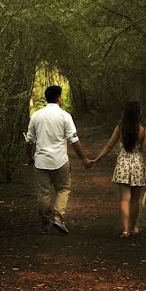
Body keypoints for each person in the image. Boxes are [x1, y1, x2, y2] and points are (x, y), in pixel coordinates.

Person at [25, 85, 93, 235]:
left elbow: (29, 141)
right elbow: (74, 140)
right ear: (59, 98)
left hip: (41, 161)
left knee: (44, 193)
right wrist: (84, 159)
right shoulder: (65, 116)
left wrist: (29, 158)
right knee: (63, 189)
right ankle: (57, 216)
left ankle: (44, 224)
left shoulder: (36, 116)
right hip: (60, 161)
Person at [93, 100, 146, 237]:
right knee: (135, 200)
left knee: (124, 199)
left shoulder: (120, 128)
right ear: (138, 114)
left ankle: (125, 229)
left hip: (123, 164)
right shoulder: (145, 131)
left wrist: (97, 159)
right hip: (138, 165)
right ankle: (134, 227)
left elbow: (109, 146)